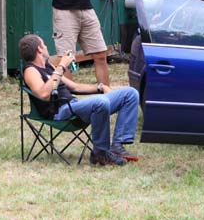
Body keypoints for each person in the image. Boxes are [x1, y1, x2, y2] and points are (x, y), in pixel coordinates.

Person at [19, 34, 140, 166]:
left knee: (130, 94)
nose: (47, 47)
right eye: (44, 44)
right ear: (39, 49)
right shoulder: (31, 70)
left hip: (73, 105)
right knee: (101, 102)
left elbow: (74, 87)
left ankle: (117, 145)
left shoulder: (48, 67)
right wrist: (61, 66)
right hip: (60, 112)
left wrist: (100, 87)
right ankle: (100, 152)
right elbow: (43, 94)